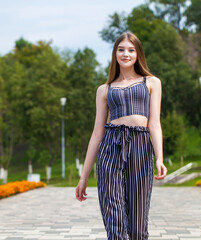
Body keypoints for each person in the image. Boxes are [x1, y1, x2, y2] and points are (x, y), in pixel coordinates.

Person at [75, 32, 167, 240]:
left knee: (136, 227)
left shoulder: (151, 82)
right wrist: (83, 177)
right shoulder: (104, 90)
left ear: (138, 54)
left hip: (140, 147)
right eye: (121, 49)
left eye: (131, 50)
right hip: (111, 147)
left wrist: (159, 157)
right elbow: (97, 134)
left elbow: (154, 124)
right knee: (114, 222)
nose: (126, 54)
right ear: (115, 53)